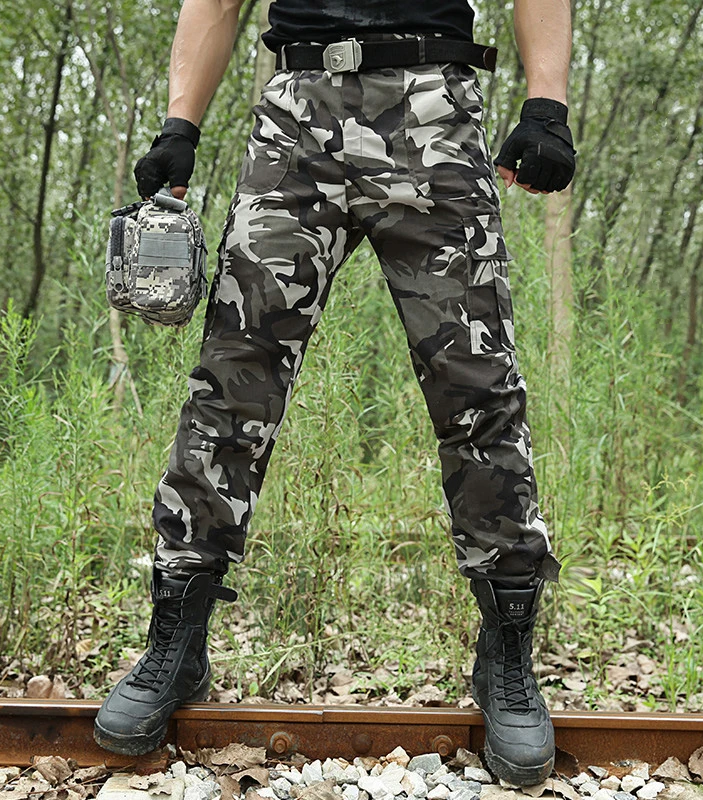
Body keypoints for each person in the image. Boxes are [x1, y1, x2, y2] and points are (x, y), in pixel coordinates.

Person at [94, 0, 575, 786]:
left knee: (479, 390)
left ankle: (508, 658)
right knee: (230, 386)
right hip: (297, 115)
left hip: (432, 109)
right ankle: (174, 644)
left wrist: (546, 102)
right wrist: (180, 124)